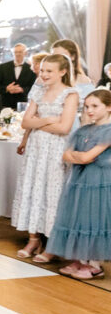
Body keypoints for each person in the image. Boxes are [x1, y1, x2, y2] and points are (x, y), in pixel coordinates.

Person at [11, 54, 78, 261]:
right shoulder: (38, 91)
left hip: (56, 149)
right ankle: (33, 238)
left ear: (63, 72)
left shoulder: (70, 94)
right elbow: (25, 123)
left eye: (50, 70)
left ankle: (52, 243)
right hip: (36, 148)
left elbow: (64, 127)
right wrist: (49, 120)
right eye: (43, 70)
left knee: (52, 191)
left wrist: (38, 121)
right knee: (33, 187)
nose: (45, 74)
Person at [47, 89, 111, 280]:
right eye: (87, 106)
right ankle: (79, 259)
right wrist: (78, 157)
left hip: (100, 181)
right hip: (79, 180)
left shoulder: (108, 131)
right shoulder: (83, 130)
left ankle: (94, 263)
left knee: (95, 219)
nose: (89, 110)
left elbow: (87, 157)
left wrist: (79, 157)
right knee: (80, 217)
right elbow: (67, 155)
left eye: (95, 106)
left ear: (108, 107)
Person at [0, 43, 36, 109]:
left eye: (20, 52)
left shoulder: (31, 68)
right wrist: (6, 88)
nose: (17, 54)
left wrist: (22, 89)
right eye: (15, 52)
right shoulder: (2, 67)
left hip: (23, 104)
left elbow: (33, 86)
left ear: (25, 53)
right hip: (5, 103)